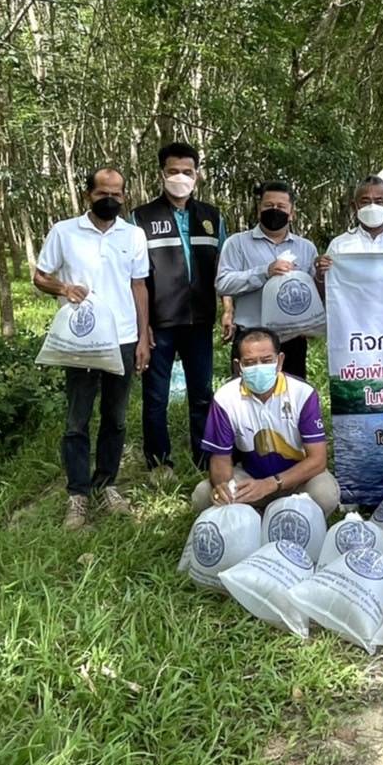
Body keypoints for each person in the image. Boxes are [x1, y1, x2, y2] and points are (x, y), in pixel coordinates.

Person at [34, 167, 151, 530]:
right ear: (89, 195)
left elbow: (139, 287)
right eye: (103, 193)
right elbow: (40, 276)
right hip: (81, 341)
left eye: (117, 194)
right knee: (77, 420)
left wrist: (144, 336)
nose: (111, 200)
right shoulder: (64, 232)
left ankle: (107, 483)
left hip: (124, 338)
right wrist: (63, 289)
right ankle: (77, 495)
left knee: (116, 419)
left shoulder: (133, 235)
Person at [131, 142, 226, 485]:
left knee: (202, 394)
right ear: (161, 174)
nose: (180, 178)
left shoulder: (212, 217)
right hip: (160, 324)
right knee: (155, 397)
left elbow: (222, 270)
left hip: (200, 321)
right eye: (173, 171)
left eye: (187, 171)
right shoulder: (141, 218)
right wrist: (143, 328)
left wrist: (226, 309)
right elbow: (136, 277)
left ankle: (204, 458)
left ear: (197, 175)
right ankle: (160, 462)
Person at [190, 327, 339, 516]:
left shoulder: (302, 394)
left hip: (298, 480)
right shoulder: (225, 398)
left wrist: (271, 484)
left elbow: (318, 460)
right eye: (250, 363)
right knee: (204, 495)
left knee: (324, 494)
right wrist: (224, 487)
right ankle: (255, 516)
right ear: (239, 366)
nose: (258, 367)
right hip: (250, 478)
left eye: (266, 360)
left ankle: (282, 515)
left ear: (280, 361)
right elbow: (220, 458)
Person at [215, 180, 319, 378]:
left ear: (292, 213)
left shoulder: (306, 248)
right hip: (250, 338)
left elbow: (313, 293)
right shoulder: (236, 243)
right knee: (246, 400)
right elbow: (223, 283)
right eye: (269, 206)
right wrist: (264, 272)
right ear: (258, 210)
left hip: (292, 339)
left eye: (281, 207)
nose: (275, 210)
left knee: (292, 398)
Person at [316, 175, 383, 289]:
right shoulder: (339, 245)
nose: (372, 207)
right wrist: (320, 274)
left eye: (379, 202)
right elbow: (329, 293)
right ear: (355, 207)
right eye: (365, 202)